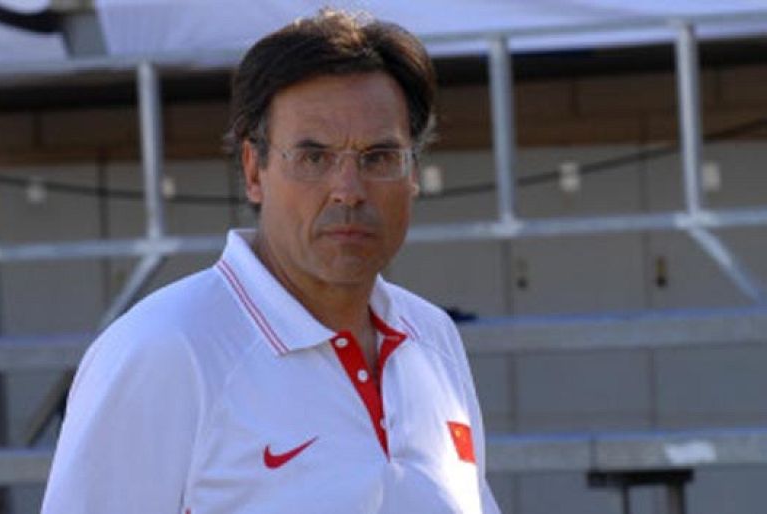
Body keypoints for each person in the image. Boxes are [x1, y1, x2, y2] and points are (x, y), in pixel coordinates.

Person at [41, 9, 501, 514]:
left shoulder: (433, 339)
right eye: (313, 157)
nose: (348, 190)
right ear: (253, 171)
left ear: (413, 173)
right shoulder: (163, 348)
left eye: (378, 157)